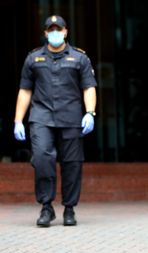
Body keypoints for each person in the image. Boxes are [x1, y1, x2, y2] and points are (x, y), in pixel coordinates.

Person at [13, 15, 97, 227]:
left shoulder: (80, 58)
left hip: (71, 118)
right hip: (41, 117)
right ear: (45, 33)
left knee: (72, 164)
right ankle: (46, 207)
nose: (55, 33)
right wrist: (18, 121)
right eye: (51, 29)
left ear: (66, 31)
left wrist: (90, 112)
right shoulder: (33, 58)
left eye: (58, 29)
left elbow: (89, 87)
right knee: (42, 159)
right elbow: (25, 90)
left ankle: (69, 208)